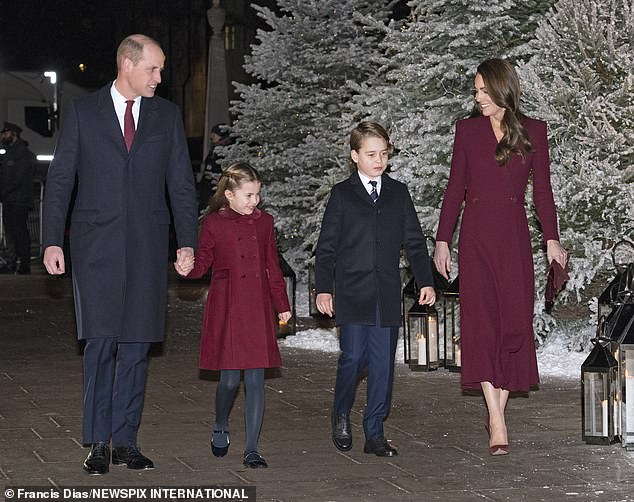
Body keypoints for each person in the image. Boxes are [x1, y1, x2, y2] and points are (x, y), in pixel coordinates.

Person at [41, 34, 198, 475]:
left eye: (161, 69)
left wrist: (187, 242)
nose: (159, 78)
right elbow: (60, 181)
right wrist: (52, 240)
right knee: (100, 345)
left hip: (147, 249)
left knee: (135, 348)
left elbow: (182, 187)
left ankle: (126, 440)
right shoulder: (83, 112)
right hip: (94, 250)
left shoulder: (166, 117)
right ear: (127, 65)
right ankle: (97, 443)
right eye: (153, 69)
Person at [433, 58, 567, 456]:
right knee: (482, 326)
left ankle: (496, 411)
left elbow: (542, 191)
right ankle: (497, 420)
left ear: (502, 89)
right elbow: (454, 187)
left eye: (483, 91)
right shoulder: (467, 131)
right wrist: (443, 240)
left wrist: (552, 240)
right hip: (475, 239)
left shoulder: (534, 132)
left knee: (514, 325)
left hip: (513, 239)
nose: (478, 98)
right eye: (475, 91)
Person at [315, 121, 436, 457]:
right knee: (353, 357)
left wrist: (425, 280)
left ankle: (375, 431)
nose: (379, 160)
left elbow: (414, 241)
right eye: (371, 154)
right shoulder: (342, 195)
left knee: (382, 363)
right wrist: (323, 289)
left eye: (384, 153)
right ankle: (340, 412)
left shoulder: (398, 193)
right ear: (355, 156)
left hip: (385, 291)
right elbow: (326, 248)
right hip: (352, 291)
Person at [182, 162, 291, 469]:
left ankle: (252, 449)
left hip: (257, 307)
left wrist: (281, 303)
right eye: (248, 195)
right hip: (228, 306)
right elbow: (203, 262)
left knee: (256, 379)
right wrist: (189, 268)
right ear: (229, 195)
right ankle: (220, 423)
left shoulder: (265, 222)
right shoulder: (214, 224)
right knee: (229, 380)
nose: (254, 201)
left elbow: (272, 265)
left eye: (257, 194)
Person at [0, 122, 35, 274]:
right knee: (11, 234)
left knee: (20, 233)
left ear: (13, 133)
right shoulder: (10, 153)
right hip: (10, 200)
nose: (2, 136)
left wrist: (3, 191)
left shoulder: (23, 154)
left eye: (5, 133)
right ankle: (12, 263)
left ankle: (24, 265)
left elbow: (17, 179)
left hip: (18, 201)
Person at [196, 123, 231, 214]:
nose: (211, 136)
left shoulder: (225, 152)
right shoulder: (213, 150)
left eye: (214, 133)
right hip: (206, 188)